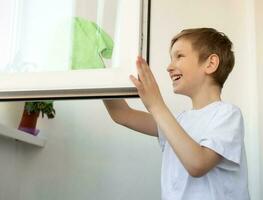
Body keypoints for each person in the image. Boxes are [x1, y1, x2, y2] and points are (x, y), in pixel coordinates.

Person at [103, 28, 250, 200]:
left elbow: (198, 164)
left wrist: (156, 105)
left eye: (179, 56)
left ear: (210, 64)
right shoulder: (179, 121)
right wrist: (99, 72)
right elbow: (121, 114)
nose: (169, 67)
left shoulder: (228, 114)